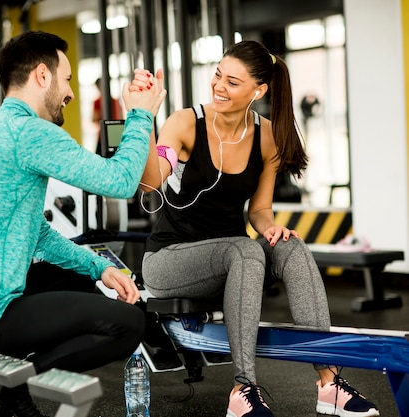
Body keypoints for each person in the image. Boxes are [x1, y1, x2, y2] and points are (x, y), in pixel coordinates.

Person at [132, 40, 379, 417]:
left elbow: (259, 210)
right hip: (169, 262)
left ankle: (330, 383)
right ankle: (243, 388)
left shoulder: (266, 137)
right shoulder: (184, 123)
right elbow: (151, 184)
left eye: (232, 82)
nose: (218, 86)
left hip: (233, 261)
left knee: (291, 246)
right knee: (244, 249)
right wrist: (143, 117)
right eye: (217, 75)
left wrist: (271, 228)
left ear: (259, 90)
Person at [0, 31, 166, 417]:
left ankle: (9, 397)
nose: (70, 91)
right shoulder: (29, 132)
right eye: (67, 78)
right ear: (42, 76)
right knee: (127, 324)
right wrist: (141, 113)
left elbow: (35, 233)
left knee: (77, 281)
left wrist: (100, 267)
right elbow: (119, 181)